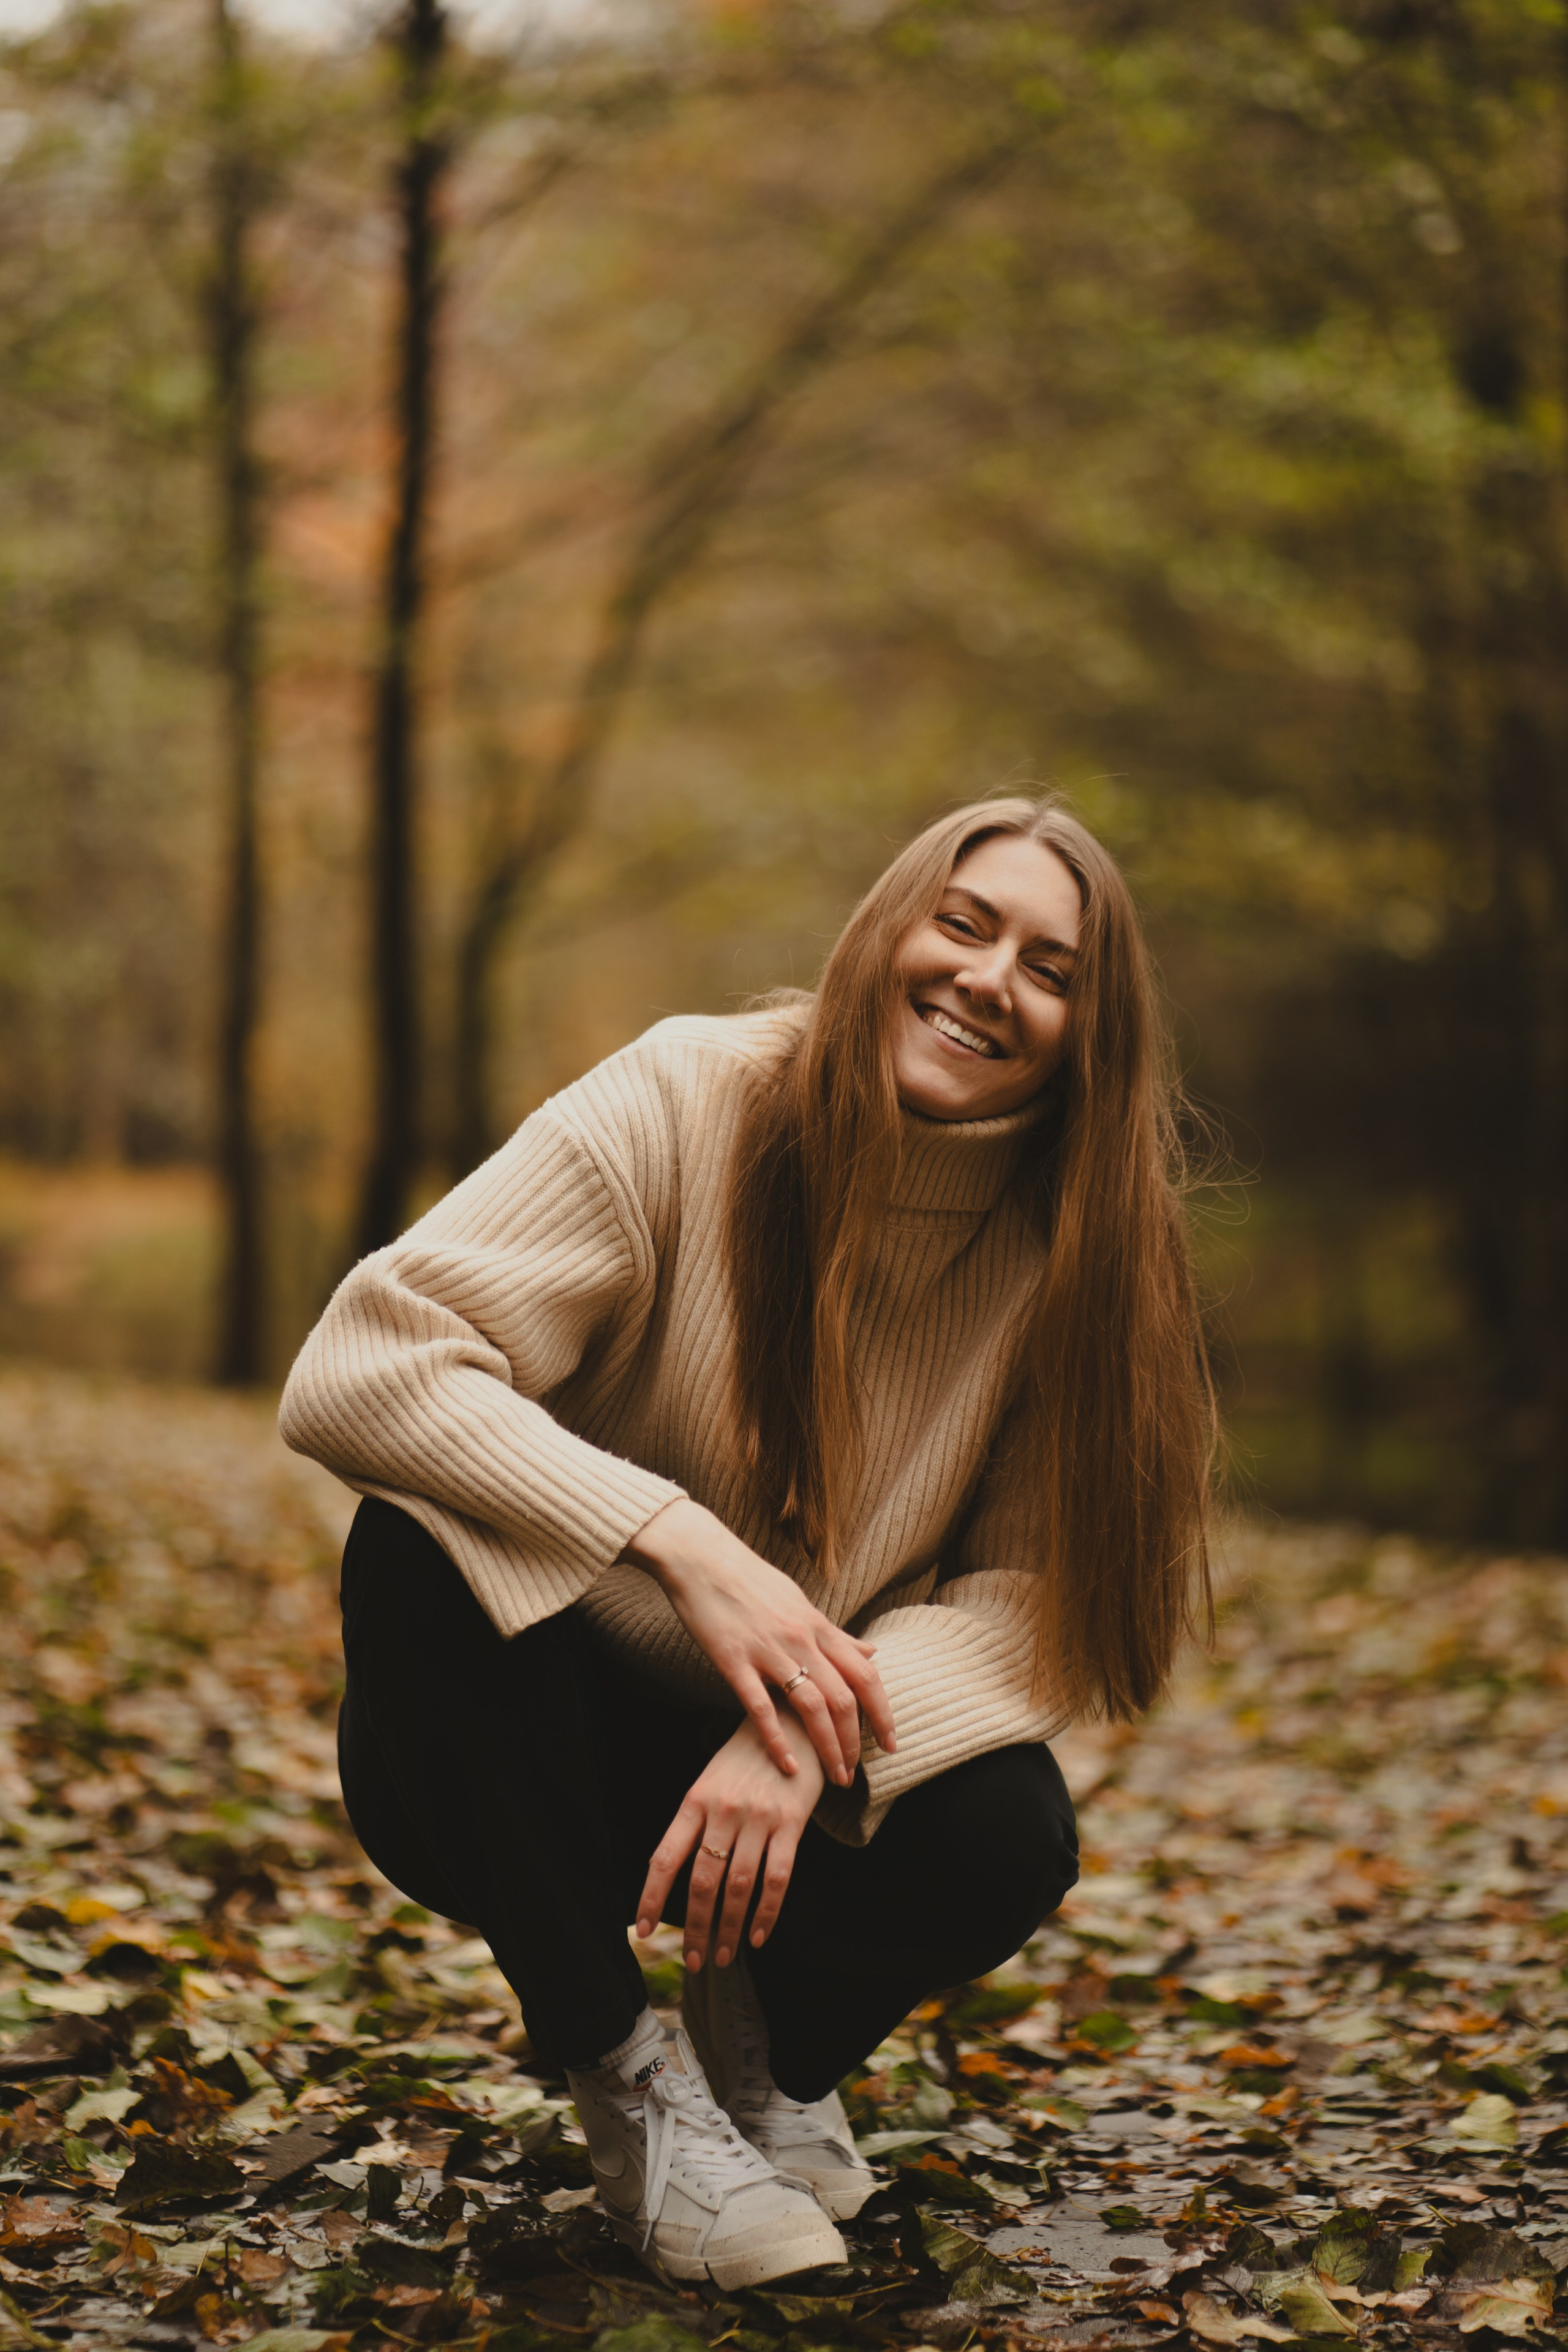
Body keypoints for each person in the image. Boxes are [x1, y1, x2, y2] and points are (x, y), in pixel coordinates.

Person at [279, 793, 1213, 2291]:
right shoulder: (686, 1094)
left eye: (1052, 968)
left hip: (784, 1766)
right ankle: (630, 2088)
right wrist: (681, 1546)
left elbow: (1045, 1595)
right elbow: (369, 1359)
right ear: (888, 929)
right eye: (962, 925)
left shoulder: (1090, 1237)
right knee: (414, 1550)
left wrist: (806, 1721)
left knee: (1003, 1839)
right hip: (539, 1728)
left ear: (1090, 1030)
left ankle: (765, 2052)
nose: (990, 980)